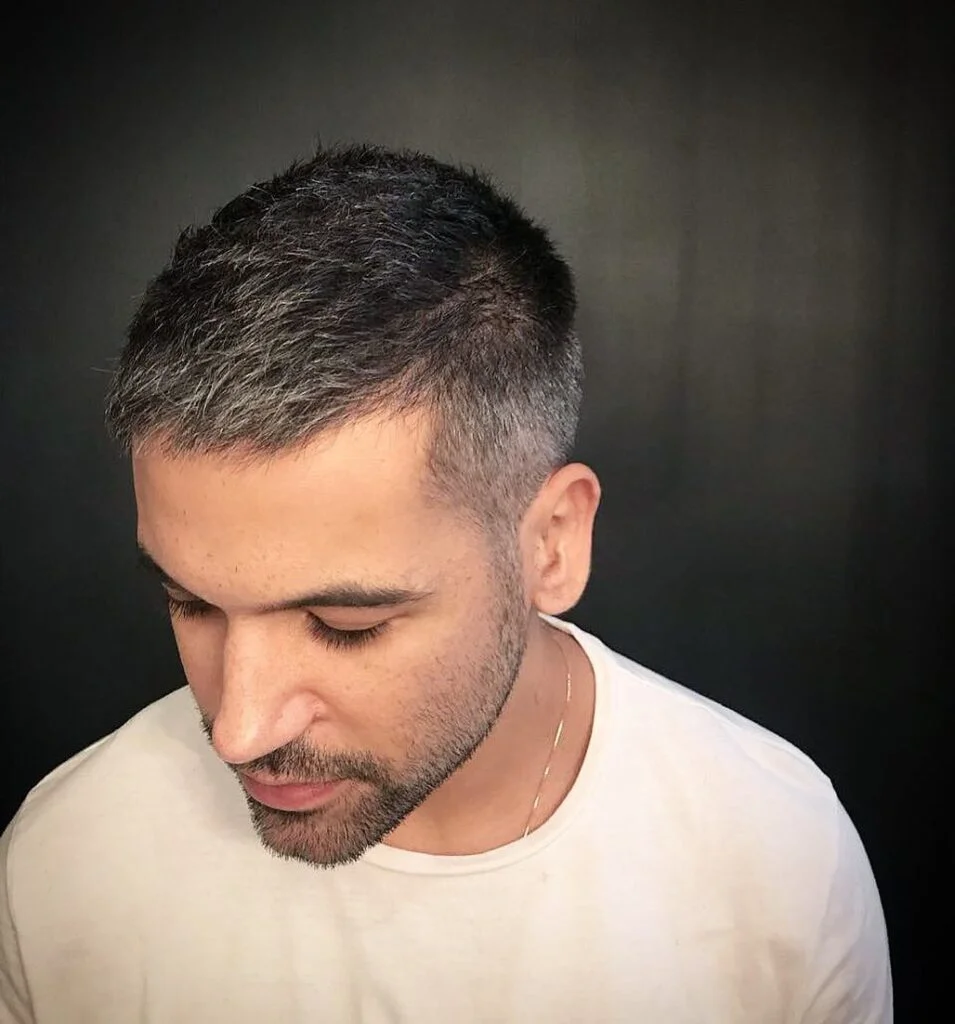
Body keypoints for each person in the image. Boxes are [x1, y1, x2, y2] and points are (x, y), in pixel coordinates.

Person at [0, 144, 891, 1023]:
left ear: (550, 544)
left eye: (344, 624)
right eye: (190, 602)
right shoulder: (68, 860)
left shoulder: (773, 862)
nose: (238, 730)